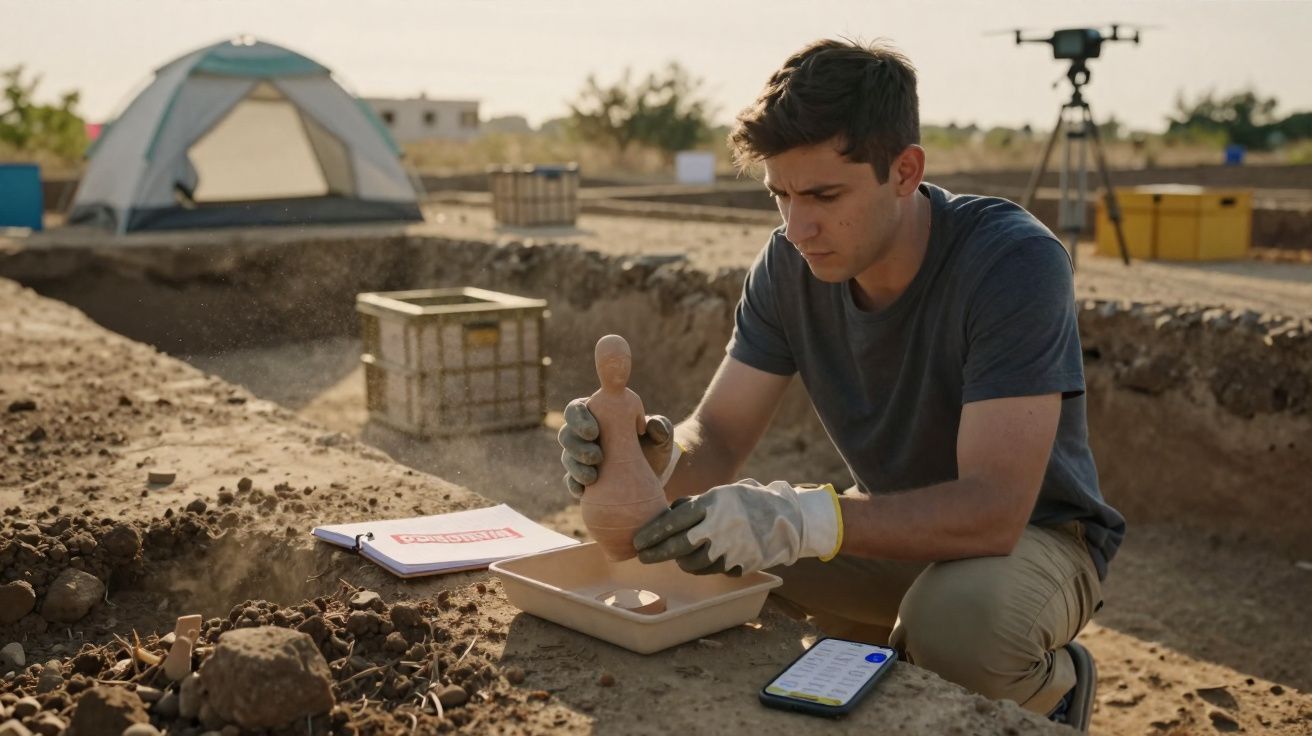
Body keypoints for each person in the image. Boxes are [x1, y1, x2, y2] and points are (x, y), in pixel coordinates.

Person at [558, 38, 1125, 722]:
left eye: (824, 195)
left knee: (957, 630)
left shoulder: (1011, 261)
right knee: (684, 546)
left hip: (1033, 539)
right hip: (887, 529)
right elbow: (720, 436)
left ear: (905, 171)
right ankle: (875, 639)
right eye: (781, 195)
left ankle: (1052, 689)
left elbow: (995, 509)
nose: (798, 228)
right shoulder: (787, 265)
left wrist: (802, 519)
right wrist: (654, 459)